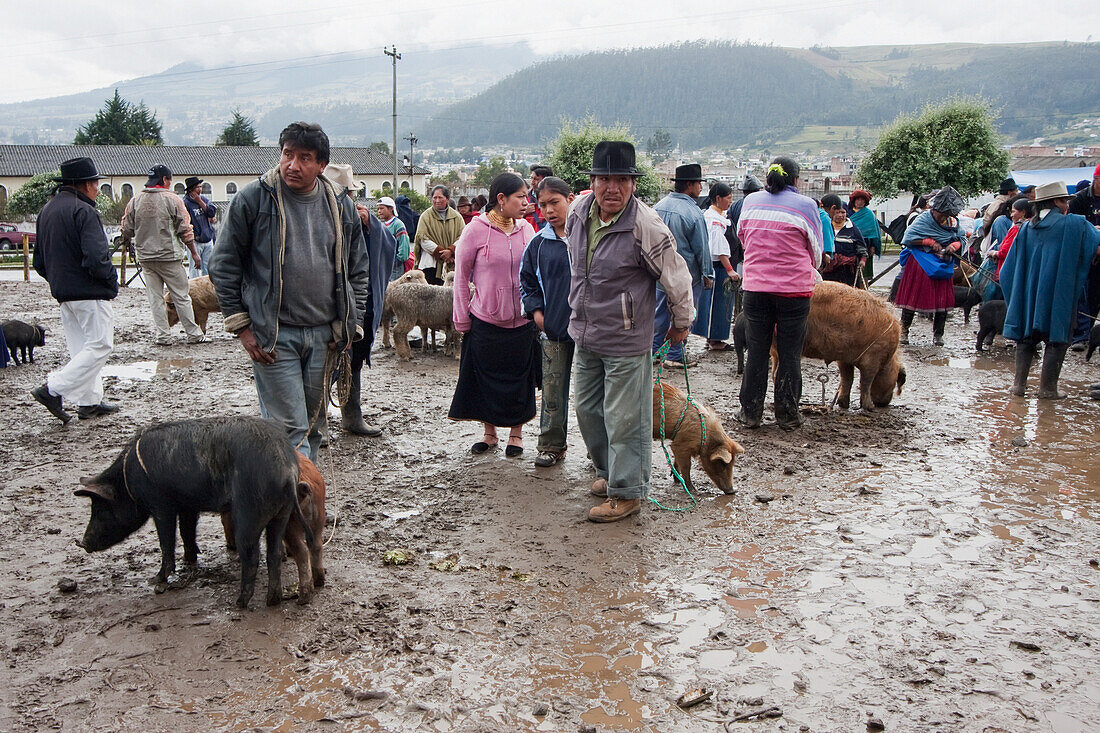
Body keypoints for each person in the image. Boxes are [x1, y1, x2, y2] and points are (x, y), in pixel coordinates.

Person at [210, 122, 370, 460]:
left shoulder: (340, 205)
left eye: (304, 158)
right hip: (274, 336)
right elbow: (223, 264)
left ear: (322, 165)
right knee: (288, 428)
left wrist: (349, 324)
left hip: (324, 335)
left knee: (314, 427)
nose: (292, 165)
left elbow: (358, 270)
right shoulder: (254, 199)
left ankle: (303, 503)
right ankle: (294, 508)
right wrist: (241, 325)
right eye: (287, 154)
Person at [566, 141, 694, 523]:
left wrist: (681, 321)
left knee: (625, 418)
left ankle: (628, 492)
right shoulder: (577, 212)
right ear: (592, 181)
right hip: (586, 333)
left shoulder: (646, 225)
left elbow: (676, 275)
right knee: (588, 411)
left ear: (633, 184)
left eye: (621, 179)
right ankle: (609, 473)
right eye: (605, 179)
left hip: (626, 338)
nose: (612, 188)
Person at [449, 173, 538, 457]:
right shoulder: (475, 230)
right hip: (485, 320)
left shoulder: (527, 230)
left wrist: (537, 311)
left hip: (522, 322)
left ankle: (516, 434)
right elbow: (460, 278)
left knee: (519, 380)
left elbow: (536, 275)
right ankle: (489, 434)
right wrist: (461, 317)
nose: (526, 202)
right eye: (520, 197)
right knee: (486, 378)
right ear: (501, 199)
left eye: (526, 196)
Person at [736, 156, 823, 431]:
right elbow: (816, 253)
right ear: (796, 180)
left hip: (755, 288)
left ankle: (750, 413)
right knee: (789, 353)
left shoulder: (750, 202)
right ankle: (787, 414)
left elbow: (743, 238)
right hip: (793, 291)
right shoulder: (807, 206)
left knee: (758, 352)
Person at [30, 157, 119, 422]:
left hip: (63, 292)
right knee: (101, 345)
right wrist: (109, 281)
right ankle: (52, 389)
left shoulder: (47, 211)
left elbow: (39, 262)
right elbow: (96, 256)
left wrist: (59, 281)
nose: (97, 189)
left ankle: (89, 401)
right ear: (85, 184)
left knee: (81, 348)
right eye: (95, 183)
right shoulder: (84, 211)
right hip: (89, 291)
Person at [1000, 181, 1100, 399]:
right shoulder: (1075, 225)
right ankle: (1047, 389)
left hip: (1028, 298)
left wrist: (1017, 299)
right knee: (1057, 340)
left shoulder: (1025, 228)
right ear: (1056, 202)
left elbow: (1007, 271)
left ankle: (1018, 386)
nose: (1067, 206)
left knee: (1026, 339)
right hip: (1058, 296)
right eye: (1064, 201)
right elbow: (1094, 243)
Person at [324, 163, 396, 438]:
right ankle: (315, 426)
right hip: (329, 304)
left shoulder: (361, 218)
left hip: (360, 303)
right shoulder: (317, 215)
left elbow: (385, 248)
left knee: (354, 359)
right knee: (323, 364)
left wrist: (371, 226)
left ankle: (351, 416)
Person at [519, 176, 575, 467]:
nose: (549, 210)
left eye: (555, 202)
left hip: (592, 331)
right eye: (543, 205)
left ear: (571, 199)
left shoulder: (587, 238)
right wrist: (536, 313)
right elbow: (526, 280)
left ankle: (599, 451)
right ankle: (552, 444)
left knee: (596, 395)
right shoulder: (539, 243)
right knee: (552, 389)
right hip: (553, 330)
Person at [121, 164, 208, 345]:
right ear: (165, 180)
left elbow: (126, 229)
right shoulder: (172, 199)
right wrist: (193, 253)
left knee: (155, 297)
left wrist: (131, 240)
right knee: (181, 296)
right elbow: (185, 228)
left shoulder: (135, 201)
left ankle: (163, 335)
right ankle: (193, 333)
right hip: (169, 256)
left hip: (146, 257)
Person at [653, 163, 713, 367]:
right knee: (684, 313)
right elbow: (702, 248)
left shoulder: (657, 207)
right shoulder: (693, 213)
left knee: (658, 312)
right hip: (686, 274)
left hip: (658, 272)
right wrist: (707, 274)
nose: (700, 188)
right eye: (698, 184)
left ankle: (654, 351)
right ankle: (675, 354)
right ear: (690, 185)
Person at [896, 186, 967, 346]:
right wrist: (928, 242)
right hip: (921, 262)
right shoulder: (923, 220)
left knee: (941, 299)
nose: (944, 218)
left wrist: (954, 245)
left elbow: (961, 238)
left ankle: (938, 334)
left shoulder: (953, 222)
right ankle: (904, 330)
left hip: (943, 262)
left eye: (947, 215)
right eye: (942, 214)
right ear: (935, 209)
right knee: (913, 296)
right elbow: (908, 238)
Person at [692, 181, 739, 350]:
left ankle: (714, 336)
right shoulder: (713, 219)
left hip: (720, 265)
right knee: (718, 304)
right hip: (718, 266)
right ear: (718, 198)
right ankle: (715, 338)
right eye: (728, 197)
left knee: (719, 303)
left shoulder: (720, 216)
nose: (730, 201)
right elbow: (718, 248)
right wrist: (730, 269)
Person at [1068, 162, 1100, 350]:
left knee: (1096, 296)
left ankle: (1090, 335)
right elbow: (1073, 228)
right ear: (1096, 179)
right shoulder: (1080, 199)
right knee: (1082, 295)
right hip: (1083, 255)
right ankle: (1080, 336)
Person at [413, 184, 464, 285]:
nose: (437, 200)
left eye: (440, 197)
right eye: (434, 198)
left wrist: (451, 250)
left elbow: (463, 237)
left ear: (447, 199)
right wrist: (442, 253)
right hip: (430, 264)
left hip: (451, 264)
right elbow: (423, 239)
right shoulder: (425, 217)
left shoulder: (456, 217)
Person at [820, 193, 868, 286]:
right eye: (838, 212)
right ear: (833, 211)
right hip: (829, 269)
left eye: (843, 212)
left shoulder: (852, 228)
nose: (840, 215)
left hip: (847, 271)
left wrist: (862, 260)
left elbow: (861, 246)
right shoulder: (826, 225)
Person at [182, 176, 217, 278]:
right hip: (195, 240)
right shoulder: (185, 203)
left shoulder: (204, 200)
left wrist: (200, 202)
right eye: (197, 187)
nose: (200, 189)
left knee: (208, 268)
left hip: (207, 239)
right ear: (191, 189)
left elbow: (212, 212)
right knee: (195, 269)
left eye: (200, 187)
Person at [846, 189, 880, 286]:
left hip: (866, 246)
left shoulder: (869, 215)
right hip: (850, 245)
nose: (860, 202)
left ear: (865, 202)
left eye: (862, 200)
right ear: (854, 201)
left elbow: (874, 232)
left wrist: (873, 246)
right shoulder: (848, 213)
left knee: (864, 274)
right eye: (858, 200)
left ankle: (864, 291)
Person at [376, 196, 411, 280]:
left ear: (391, 209)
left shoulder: (398, 224)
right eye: (378, 209)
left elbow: (404, 245)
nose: (379, 211)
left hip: (395, 268)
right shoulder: (382, 225)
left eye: (382, 208)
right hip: (384, 266)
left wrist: (397, 261)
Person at [525, 164, 553, 230]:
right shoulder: (524, 198)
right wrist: (523, 212)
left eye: (536, 179)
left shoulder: (555, 199)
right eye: (531, 178)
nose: (532, 182)